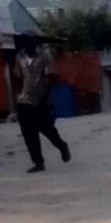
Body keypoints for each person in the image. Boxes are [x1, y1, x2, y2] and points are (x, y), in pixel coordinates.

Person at [13, 35, 71, 173]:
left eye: (31, 42)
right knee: (28, 134)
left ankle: (61, 145)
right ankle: (38, 163)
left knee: (47, 129)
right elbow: (17, 77)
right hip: (24, 101)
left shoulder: (45, 56)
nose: (28, 45)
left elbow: (52, 77)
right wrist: (19, 94)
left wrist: (45, 98)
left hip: (42, 99)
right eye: (25, 42)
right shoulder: (19, 57)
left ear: (35, 43)